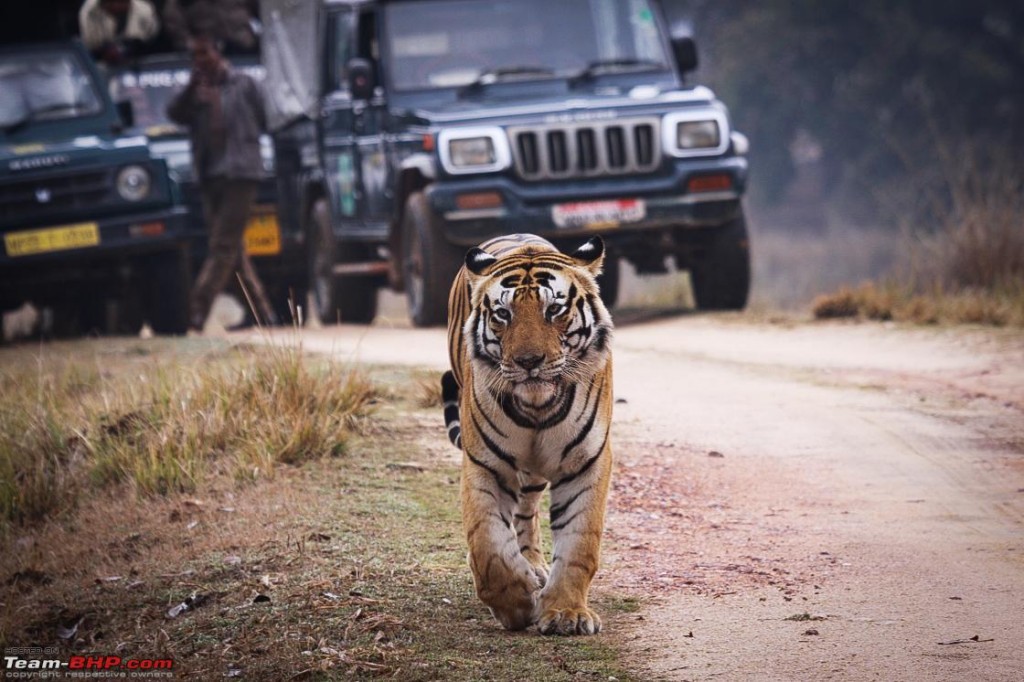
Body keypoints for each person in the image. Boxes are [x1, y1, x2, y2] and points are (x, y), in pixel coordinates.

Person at [166, 33, 277, 332]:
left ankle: (197, 311)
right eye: (195, 56)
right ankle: (264, 314)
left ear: (218, 52)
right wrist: (192, 88)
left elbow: (267, 118)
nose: (201, 60)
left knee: (222, 245)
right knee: (234, 251)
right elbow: (174, 113)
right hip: (210, 174)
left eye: (205, 53)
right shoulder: (194, 92)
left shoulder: (244, 83)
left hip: (241, 173)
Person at [78, 0, 160, 64]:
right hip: (100, 65)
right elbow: (90, 47)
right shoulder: (89, 11)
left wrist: (128, 49)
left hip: (140, 62)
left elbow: (152, 41)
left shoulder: (145, 10)